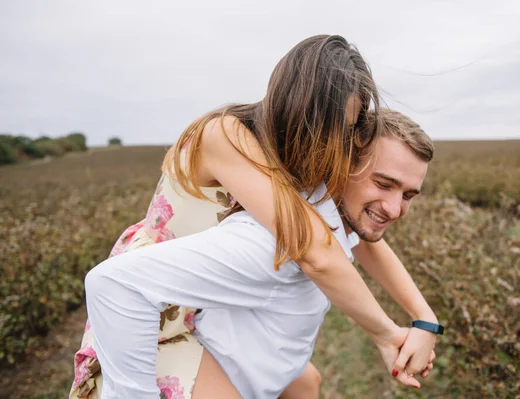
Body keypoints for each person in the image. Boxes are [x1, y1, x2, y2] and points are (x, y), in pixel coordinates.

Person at [83, 109, 441, 398]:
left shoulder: (332, 217)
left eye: (408, 195)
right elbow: (113, 284)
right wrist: (387, 334)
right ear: (340, 166)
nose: (395, 209)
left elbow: (367, 244)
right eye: (384, 184)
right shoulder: (272, 245)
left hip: (254, 377)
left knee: (307, 381)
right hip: (198, 379)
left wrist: (424, 319)